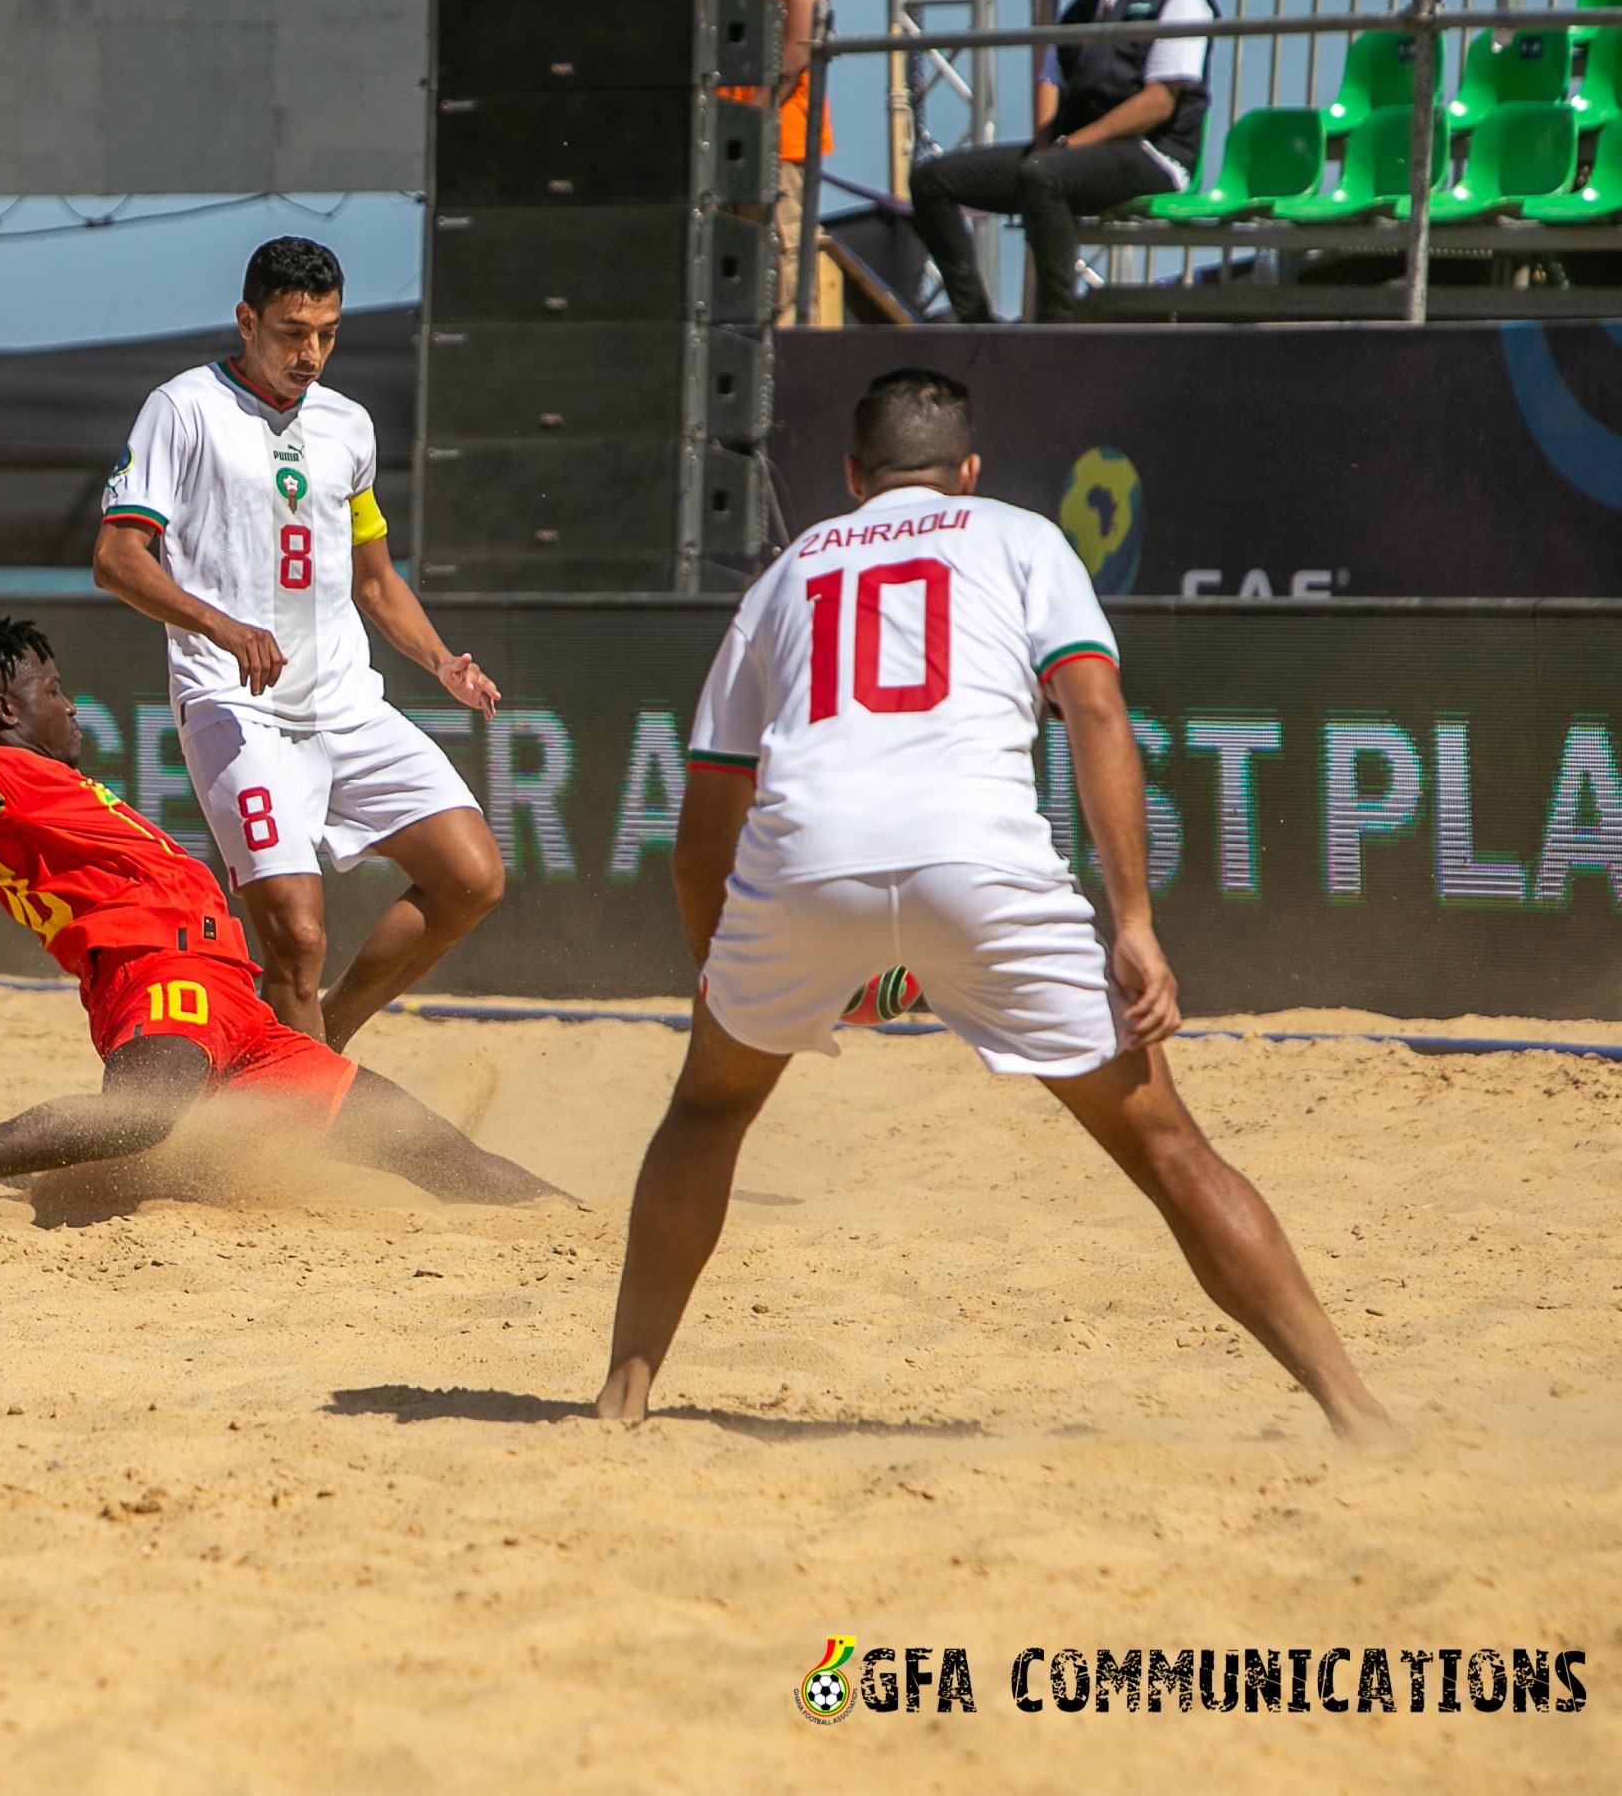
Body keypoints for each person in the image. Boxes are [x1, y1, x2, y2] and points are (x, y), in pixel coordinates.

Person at [597, 368, 1393, 1442]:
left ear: (851, 475)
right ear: (966, 473)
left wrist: (720, 982)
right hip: (977, 859)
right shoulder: (1016, 536)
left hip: (803, 857)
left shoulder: (783, 574)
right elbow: (1095, 711)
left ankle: (621, 1400)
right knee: (1166, 1144)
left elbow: (704, 825)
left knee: (707, 1107)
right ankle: (1358, 1413)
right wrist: (1135, 924)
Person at [0, 618, 564, 1204]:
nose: (70, 702)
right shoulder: (7, 773)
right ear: (7, 708)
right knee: (141, 1118)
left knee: (423, 1144)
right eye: (52, 690)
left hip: (237, 1010)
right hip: (160, 981)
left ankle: (572, 1220)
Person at [93, 237, 505, 1050]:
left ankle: (323, 1045)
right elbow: (114, 558)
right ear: (247, 320)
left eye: (326, 332)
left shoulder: (348, 426)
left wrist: (440, 662)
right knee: (297, 936)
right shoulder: (183, 409)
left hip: (346, 706)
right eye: (290, 331)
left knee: (472, 878)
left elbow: (377, 581)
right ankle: (291, 1136)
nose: (309, 351)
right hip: (233, 707)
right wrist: (220, 624)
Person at [908, 0, 1216, 323]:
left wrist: (1067, 147)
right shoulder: (1082, 7)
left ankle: (1055, 326)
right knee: (932, 181)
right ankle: (976, 324)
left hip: (1153, 156)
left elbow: (1159, 103)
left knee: (1043, 176)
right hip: (1074, 155)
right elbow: (1049, 78)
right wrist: (1045, 144)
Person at [677, 0, 838, 327]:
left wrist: (747, 122)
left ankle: (794, 386)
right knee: (713, 289)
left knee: (782, 288)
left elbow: (801, 44)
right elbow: (684, 26)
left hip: (777, 145)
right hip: (710, 148)